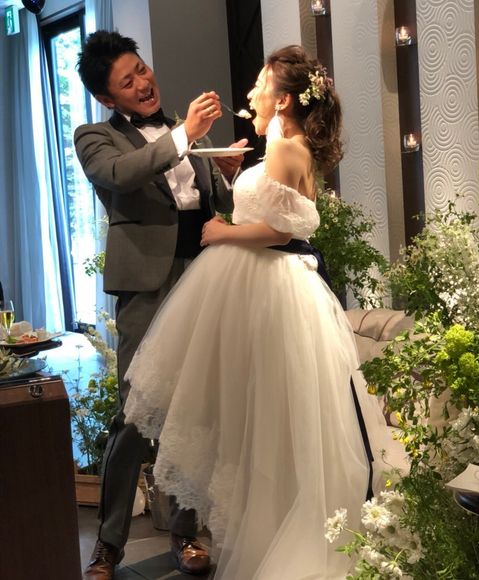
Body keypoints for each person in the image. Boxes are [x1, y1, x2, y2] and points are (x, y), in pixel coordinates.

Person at [124, 45, 390, 579]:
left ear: (284, 100)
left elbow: (283, 231)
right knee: (258, 418)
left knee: (271, 417)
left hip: (276, 293)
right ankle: (262, 536)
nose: (251, 94)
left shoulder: (286, 146)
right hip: (261, 287)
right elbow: (272, 213)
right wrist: (233, 193)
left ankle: (285, 543)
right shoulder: (281, 143)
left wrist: (222, 232)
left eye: (261, 86)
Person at [74, 30, 246, 580]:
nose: (143, 82)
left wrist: (227, 176)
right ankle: (108, 545)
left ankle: (186, 532)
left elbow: (212, 204)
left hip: (202, 276)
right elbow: (121, 175)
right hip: (148, 286)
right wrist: (183, 135)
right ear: (107, 97)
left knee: (192, 411)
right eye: (127, 81)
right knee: (133, 415)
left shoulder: (183, 133)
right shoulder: (95, 137)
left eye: (142, 69)